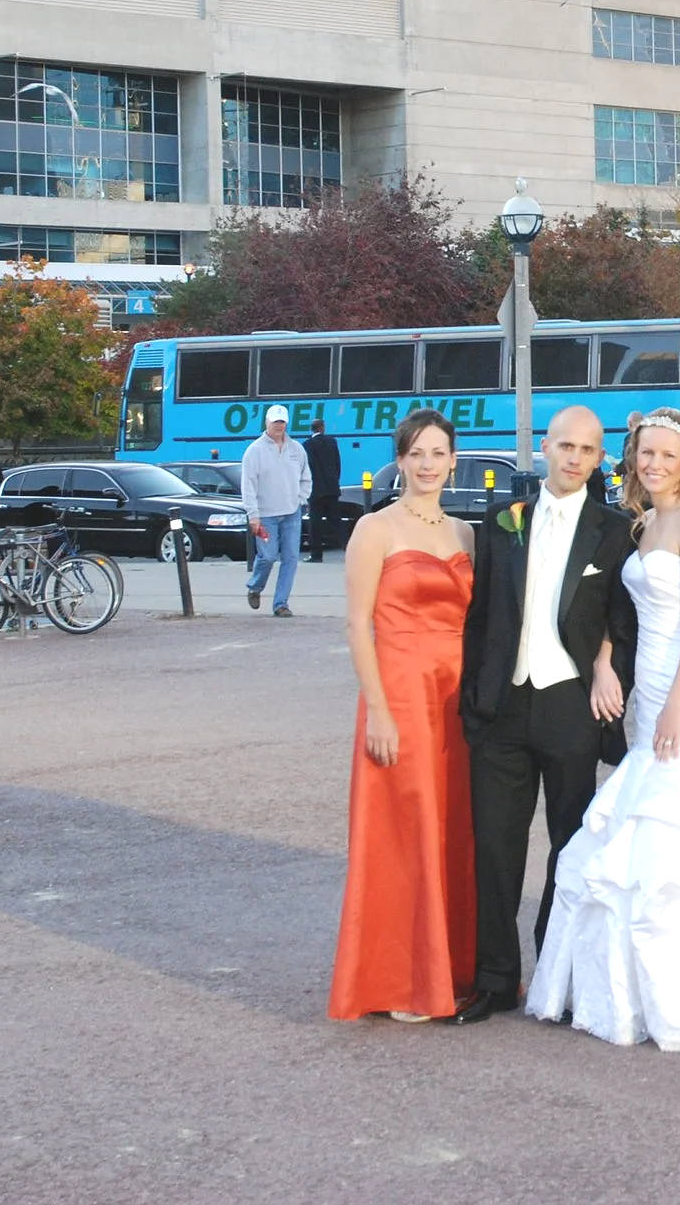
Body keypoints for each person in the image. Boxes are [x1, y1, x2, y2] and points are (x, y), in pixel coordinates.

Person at [529, 409, 680, 1049]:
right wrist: (607, 657)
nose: (654, 464)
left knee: (679, 836)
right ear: (633, 458)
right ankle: (621, 991)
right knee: (628, 835)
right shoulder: (645, 523)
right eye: (645, 454)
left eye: (667, 455)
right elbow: (621, 608)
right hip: (647, 690)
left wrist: (674, 704)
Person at [449, 405, 637, 1025]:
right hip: (502, 706)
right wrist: (475, 697)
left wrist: (610, 671)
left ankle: (555, 971)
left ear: (599, 455)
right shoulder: (503, 521)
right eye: (564, 446)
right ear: (544, 449)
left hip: (571, 707)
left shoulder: (615, 531)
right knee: (495, 849)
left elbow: (625, 620)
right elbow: (479, 616)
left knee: (569, 847)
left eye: (586, 448)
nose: (574, 457)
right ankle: (495, 979)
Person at [328, 410, 477, 1021]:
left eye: (437, 453)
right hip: (400, 694)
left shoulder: (467, 534)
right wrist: (379, 712)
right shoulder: (375, 528)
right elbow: (356, 624)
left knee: (451, 829)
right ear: (400, 459)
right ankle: (402, 978)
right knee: (403, 832)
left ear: (453, 460)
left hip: (456, 699)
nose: (426, 464)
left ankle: (449, 970)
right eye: (416, 452)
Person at [241, 405, 311, 617]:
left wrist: (300, 499)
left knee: (290, 558)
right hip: (266, 516)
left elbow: (305, 477)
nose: (278, 426)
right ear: (267, 423)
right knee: (268, 556)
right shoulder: (255, 451)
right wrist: (252, 514)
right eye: (275, 422)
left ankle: (281, 603)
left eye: (282, 422)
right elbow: (248, 485)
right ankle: (255, 586)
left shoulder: (297, 449)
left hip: (292, 514)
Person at [303, 418, 343, 563]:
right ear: (323, 427)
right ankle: (349, 550)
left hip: (316, 491)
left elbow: (308, 468)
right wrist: (334, 482)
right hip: (332, 488)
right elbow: (338, 464)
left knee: (315, 524)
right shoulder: (332, 442)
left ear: (311, 429)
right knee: (336, 522)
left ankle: (316, 555)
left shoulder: (307, 445)